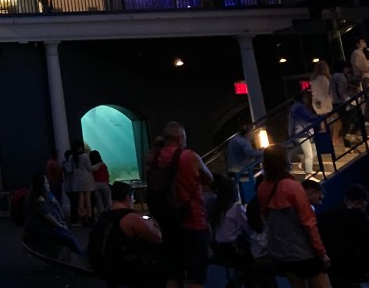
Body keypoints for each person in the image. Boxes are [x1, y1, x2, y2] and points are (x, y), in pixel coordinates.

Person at [148, 121, 212, 288]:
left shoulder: (153, 157)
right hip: (193, 220)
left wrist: (158, 146)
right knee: (195, 276)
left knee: (173, 274)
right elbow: (209, 178)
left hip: (167, 222)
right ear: (180, 139)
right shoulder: (189, 156)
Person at [255, 145, 329, 288]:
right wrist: (321, 252)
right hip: (303, 251)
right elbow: (308, 222)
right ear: (285, 160)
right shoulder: (292, 186)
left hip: (280, 251)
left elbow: (264, 216)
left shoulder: (263, 187)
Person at [87, 181, 161, 288]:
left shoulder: (104, 216)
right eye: (133, 197)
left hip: (99, 266)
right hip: (120, 270)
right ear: (128, 197)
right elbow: (157, 237)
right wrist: (153, 223)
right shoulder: (130, 218)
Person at [317, 184, 369, 288]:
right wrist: (368, 265)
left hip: (329, 264)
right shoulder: (361, 216)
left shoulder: (323, 215)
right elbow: (366, 244)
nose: (363, 209)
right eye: (362, 206)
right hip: (352, 263)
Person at [212, 172, 270, 287]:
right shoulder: (237, 209)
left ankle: (238, 280)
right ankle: (240, 281)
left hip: (221, 247)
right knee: (257, 259)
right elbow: (249, 228)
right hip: (235, 248)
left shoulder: (218, 208)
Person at [23, 174, 81, 257]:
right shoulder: (39, 200)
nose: (48, 184)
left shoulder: (43, 196)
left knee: (67, 235)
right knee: (69, 238)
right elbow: (49, 217)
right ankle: (80, 256)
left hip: (44, 227)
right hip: (41, 230)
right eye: (46, 183)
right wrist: (61, 225)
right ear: (41, 186)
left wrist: (61, 222)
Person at [288, 91, 321, 176]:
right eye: (305, 97)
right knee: (309, 153)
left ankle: (305, 165)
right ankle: (308, 174)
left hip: (307, 131)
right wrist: (319, 117)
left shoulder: (299, 106)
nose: (306, 99)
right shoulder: (298, 107)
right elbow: (307, 118)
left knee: (314, 151)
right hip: (302, 132)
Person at [310, 61, 341, 150]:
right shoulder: (323, 78)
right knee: (337, 120)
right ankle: (335, 138)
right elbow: (329, 90)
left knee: (323, 123)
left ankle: (326, 141)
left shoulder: (313, 79)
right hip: (325, 102)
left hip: (316, 103)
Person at [64, 141, 94, 225]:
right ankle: (89, 217)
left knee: (80, 201)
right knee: (87, 200)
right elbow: (89, 168)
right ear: (80, 147)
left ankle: (82, 218)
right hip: (86, 181)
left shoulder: (71, 157)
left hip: (77, 182)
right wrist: (98, 165)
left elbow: (70, 170)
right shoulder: (85, 156)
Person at [88, 150, 110, 218]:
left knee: (99, 202)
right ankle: (108, 214)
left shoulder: (91, 166)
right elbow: (107, 174)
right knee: (107, 201)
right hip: (104, 184)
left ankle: (101, 216)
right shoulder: (103, 165)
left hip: (95, 185)